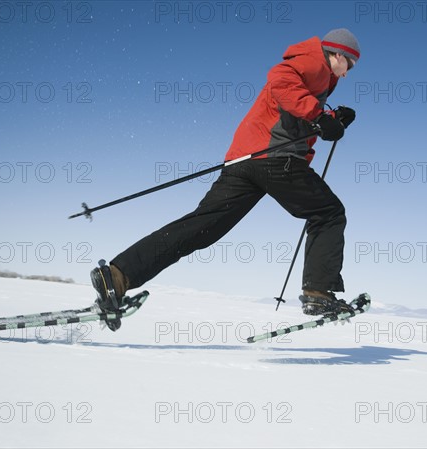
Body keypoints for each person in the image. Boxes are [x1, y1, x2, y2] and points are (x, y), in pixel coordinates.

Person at [91, 28, 362, 330]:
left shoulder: (317, 77)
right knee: (329, 213)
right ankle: (318, 293)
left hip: (245, 161)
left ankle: (117, 275)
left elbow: (293, 108)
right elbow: (281, 81)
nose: (349, 72)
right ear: (338, 54)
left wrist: (332, 117)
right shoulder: (312, 63)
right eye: (350, 64)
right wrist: (319, 115)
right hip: (274, 160)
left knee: (202, 226)